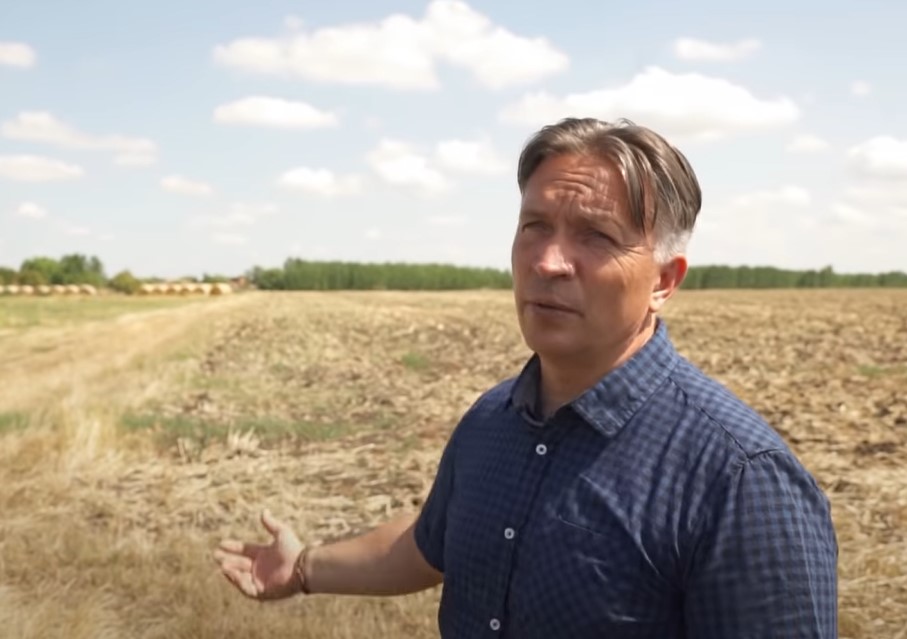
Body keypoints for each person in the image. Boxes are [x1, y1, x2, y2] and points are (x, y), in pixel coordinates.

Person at [214, 117, 838, 637]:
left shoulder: (741, 480)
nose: (547, 261)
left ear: (664, 281)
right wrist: (304, 568)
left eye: (596, 236)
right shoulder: (494, 420)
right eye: (534, 226)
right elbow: (429, 545)